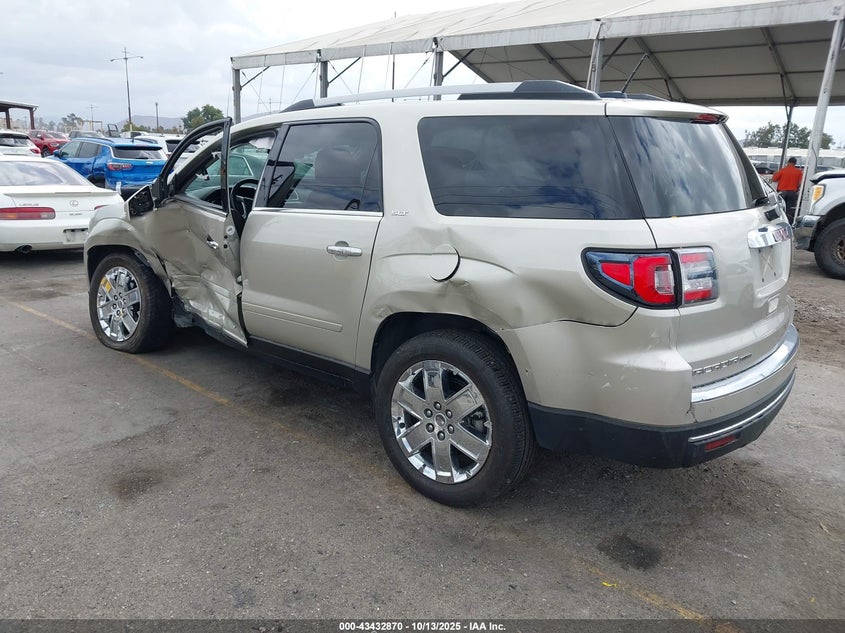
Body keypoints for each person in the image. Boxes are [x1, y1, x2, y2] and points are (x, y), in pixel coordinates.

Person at [771, 157, 803, 222]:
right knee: (790, 209)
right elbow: (800, 184)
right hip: (792, 192)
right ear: (795, 163)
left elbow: (774, 179)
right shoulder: (799, 172)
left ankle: (779, 221)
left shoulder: (783, 170)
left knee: (780, 208)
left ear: (788, 162)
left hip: (782, 192)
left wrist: (775, 173)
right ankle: (789, 222)